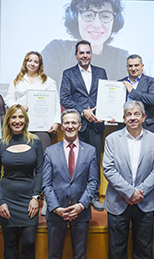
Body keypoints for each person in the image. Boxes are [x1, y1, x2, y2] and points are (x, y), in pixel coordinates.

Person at [103, 100, 154, 259]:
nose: (133, 117)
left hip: (144, 201)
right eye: (129, 114)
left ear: (143, 117)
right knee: (116, 250)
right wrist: (129, 192)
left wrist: (138, 192)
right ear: (123, 118)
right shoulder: (112, 139)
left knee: (144, 249)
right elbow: (108, 169)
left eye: (137, 114)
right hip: (117, 201)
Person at [42, 109, 99, 259]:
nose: (70, 126)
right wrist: (55, 207)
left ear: (80, 126)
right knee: (54, 255)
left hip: (81, 211)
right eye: (67, 123)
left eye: (74, 122)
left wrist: (81, 205)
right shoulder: (50, 151)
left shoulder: (90, 151)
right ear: (61, 126)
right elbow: (46, 184)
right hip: (56, 212)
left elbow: (93, 181)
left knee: (80, 255)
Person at [0, 104, 43, 259]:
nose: (17, 120)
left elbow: (40, 171)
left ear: (26, 120)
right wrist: (0, 202)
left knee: (29, 243)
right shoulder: (0, 144)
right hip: (7, 200)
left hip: (29, 201)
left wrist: (36, 197)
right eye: (13, 117)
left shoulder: (35, 142)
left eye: (21, 117)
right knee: (10, 244)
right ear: (8, 121)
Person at [60, 40, 106, 211]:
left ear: (91, 54)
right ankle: (76, 195)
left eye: (88, 52)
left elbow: (106, 96)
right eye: (81, 53)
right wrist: (83, 111)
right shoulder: (68, 73)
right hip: (76, 126)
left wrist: (105, 112)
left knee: (94, 161)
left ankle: (93, 196)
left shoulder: (101, 72)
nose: (85, 55)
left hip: (96, 125)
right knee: (75, 161)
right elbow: (65, 98)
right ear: (76, 55)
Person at [42, 0, 129, 86]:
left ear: (115, 21)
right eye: (88, 15)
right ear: (75, 18)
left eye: (106, 16)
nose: (97, 25)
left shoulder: (122, 59)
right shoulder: (56, 51)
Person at [6, 51, 60, 150]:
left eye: (36, 62)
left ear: (40, 65)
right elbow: (9, 99)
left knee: (43, 155)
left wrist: (56, 122)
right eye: (30, 61)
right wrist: (19, 107)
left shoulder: (49, 82)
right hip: (20, 124)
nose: (32, 64)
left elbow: (55, 104)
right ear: (25, 63)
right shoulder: (16, 80)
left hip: (42, 126)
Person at [118, 54, 154, 139]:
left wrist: (132, 91)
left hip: (147, 128)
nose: (133, 68)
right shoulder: (120, 83)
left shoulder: (152, 81)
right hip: (124, 128)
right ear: (127, 67)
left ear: (142, 66)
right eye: (130, 66)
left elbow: (153, 99)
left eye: (136, 65)